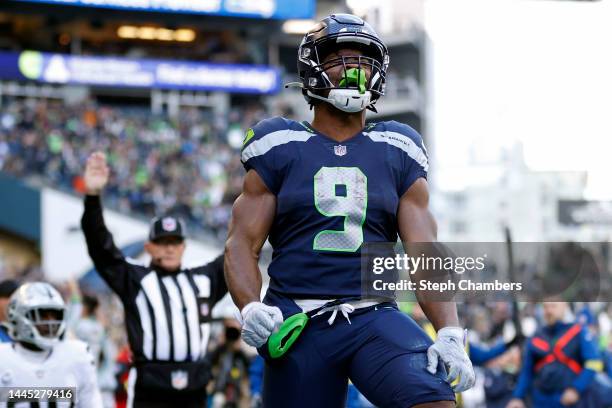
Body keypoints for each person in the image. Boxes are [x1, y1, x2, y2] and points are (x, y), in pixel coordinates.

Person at [224, 13, 475, 408]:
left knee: (433, 398)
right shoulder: (278, 142)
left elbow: (424, 249)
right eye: (339, 58)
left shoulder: (398, 146)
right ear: (312, 68)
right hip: (298, 319)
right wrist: (250, 305)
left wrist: (449, 330)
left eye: (362, 59)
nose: (353, 68)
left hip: (373, 316)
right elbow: (241, 242)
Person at [81, 151, 227, 408]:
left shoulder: (203, 279)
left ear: (183, 247)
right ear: (149, 247)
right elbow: (102, 250)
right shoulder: (135, 278)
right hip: (151, 388)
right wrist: (93, 198)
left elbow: (238, 253)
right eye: (162, 243)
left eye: (174, 243)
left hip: (195, 387)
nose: (169, 249)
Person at [0, 282, 103, 407]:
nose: (50, 322)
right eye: (42, 314)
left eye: (55, 315)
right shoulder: (3, 359)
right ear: (19, 314)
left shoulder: (77, 356)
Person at [507, 302, 604, 408]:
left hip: (569, 400)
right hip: (541, 400)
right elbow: (527, 370)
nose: (549, 311)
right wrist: (517, 397)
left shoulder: (578, 332)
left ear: (564, 306)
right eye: (545, 307)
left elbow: (594, 363)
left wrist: (576, 388)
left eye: (553, 306)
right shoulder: (536, 336)